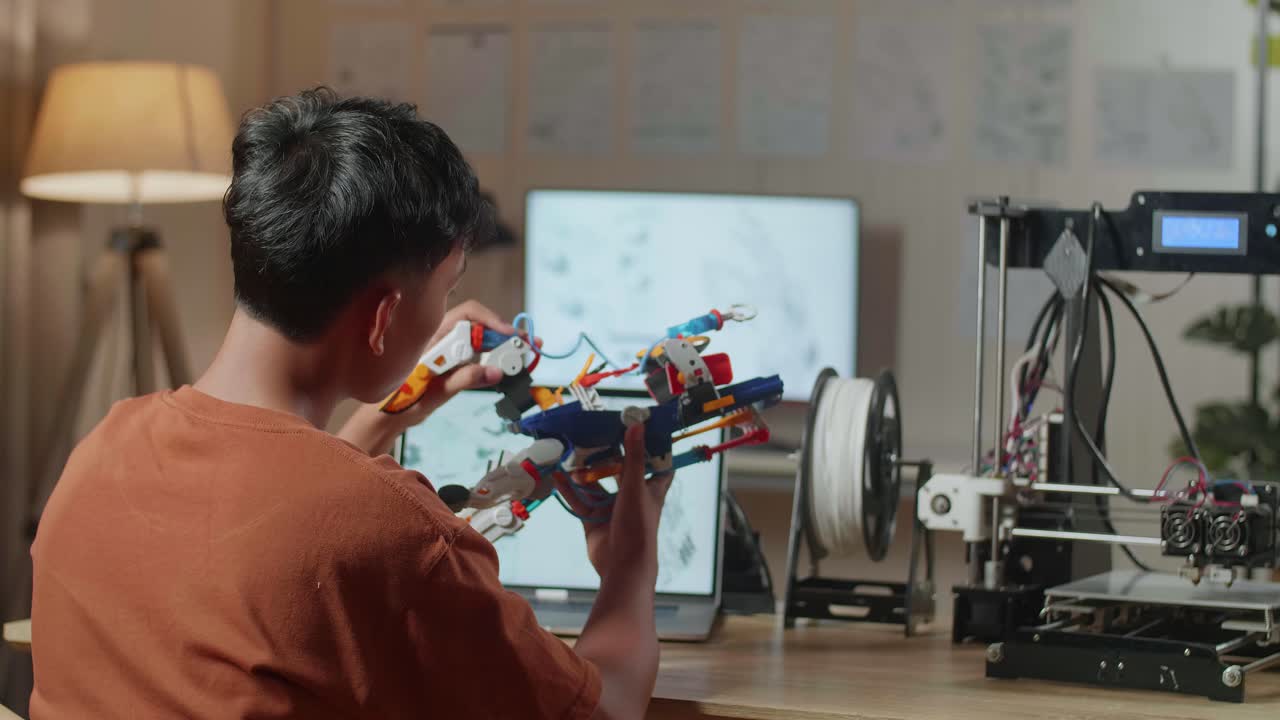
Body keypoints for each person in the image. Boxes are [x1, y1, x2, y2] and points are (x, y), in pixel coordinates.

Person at [29, 88, 670, 720]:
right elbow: (607, 710)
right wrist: (630, 563)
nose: (444, 313)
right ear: (383, 315)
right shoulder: (397, 532)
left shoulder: (103, 448)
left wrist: (384, 417)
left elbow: (273, 521)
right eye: (445, 290)